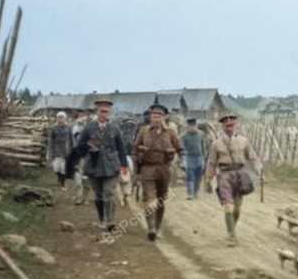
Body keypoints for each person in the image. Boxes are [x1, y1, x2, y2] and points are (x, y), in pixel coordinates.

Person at [204, 113, 262, 246]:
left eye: (231, 125)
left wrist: (260, 171)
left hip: (240, 176)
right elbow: (212, 163)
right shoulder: (216, 144)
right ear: (222, 127)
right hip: (224, 176)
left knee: (237, 208)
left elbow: (253, 158)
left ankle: (231, 228)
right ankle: (231, 236)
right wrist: (208, 180)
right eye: (227, 125)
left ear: (235, 125)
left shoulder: (243, 141)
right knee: (228, 206)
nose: (229, 128)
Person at [73, 99, 128, 231]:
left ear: (110, 112)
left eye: (106, 112)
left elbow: (121, 148)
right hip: (94, 165)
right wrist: (89, 148)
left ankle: (110, 221)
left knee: (108, 193)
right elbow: (80, 146)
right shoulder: (89, 127)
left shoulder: (115, 128)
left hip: (111, 165)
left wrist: (124, 165)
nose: (104, 114)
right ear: (97, 111)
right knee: (98, 195)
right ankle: (102, 219)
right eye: (102, 111)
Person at [132, 103, 182, 241]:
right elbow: (135, 149)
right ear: (150, 117)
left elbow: (179, 149)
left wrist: (173, 152)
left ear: (163, 118)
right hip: (148, 168)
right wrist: (137, 166)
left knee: (160, 200)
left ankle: (157, 227)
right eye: (154, 115)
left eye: (159, 116)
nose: (156, 118)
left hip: (164, 169)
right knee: (150, 199)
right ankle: (151, 228)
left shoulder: (170, 133)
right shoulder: (143, 131)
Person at [181, 118, 207, 200]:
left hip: (199, 157)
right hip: (189, 157)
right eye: (190, 126)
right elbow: (182, 148)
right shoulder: (184, 136)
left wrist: (204, 158)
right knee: (190, 175)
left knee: (198, 176)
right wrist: (183, 160)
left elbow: (203, 146)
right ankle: (190, 193)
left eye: (193, 125)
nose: (192, 127)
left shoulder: (201, 134)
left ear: (196, 126)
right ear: (187, 126)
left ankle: (196, 192)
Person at [46, 111, 73, 189]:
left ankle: (63, 182)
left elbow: (71, 139)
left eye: (62, 118)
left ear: (65, 118)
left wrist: (72, 149)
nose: (61, 119)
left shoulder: (68, 128)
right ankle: (59, 178)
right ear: (57, 118)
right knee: (57, 167)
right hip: (57, 149)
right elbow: (51, 140)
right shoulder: (54, 128)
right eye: (59, 118)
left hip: (65, 149)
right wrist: (50, 149)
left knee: (64, 167)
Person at [70, 112, 89, 204]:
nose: (82, 119)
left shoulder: (89, 129)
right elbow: (72, 142)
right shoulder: (74, 129)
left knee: (86, 180)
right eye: (81, 118)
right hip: (77, 156)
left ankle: (85, 198)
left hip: (87, 157)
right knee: (78, 179)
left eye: (84, 118)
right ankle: (78, 198)